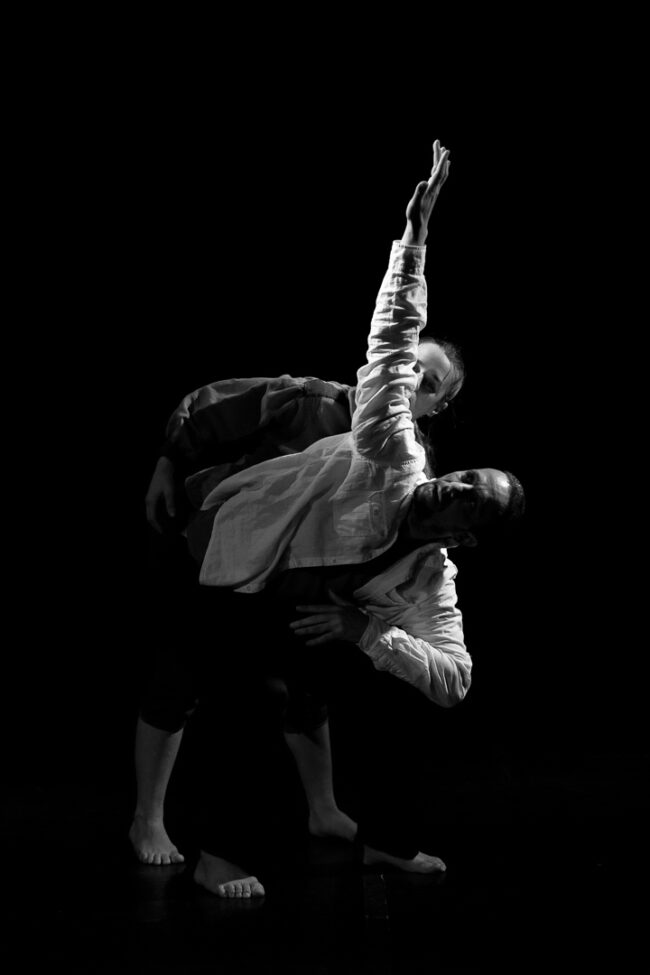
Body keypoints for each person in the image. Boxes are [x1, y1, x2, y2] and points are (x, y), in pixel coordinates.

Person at [185, 142, 524, 897]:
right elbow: (391, 347)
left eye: (469, 499)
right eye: (465, 477)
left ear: (464, 535)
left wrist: (368, 633)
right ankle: (218, 854)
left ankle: (386, 842)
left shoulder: (431, 575)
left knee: (399, 698)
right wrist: (415, 237)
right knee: (258, 698)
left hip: (303, 617)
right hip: (240, 568)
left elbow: (455, 680)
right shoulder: (393, 456)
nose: (455, 486)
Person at [132, 248, 465, 862]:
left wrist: (366, 621)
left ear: (437, 406)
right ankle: (148, 821)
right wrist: (167, 462)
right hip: (217, 555)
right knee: (181, 677)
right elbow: (214, 405)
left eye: (430, 383)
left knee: (309, 693)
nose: (413, 381)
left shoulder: (409, 470)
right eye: (410, 366)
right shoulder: (314, 402)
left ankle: (323, 810)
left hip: (296, 588)